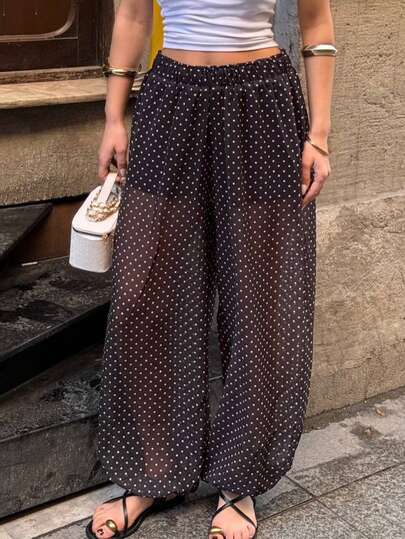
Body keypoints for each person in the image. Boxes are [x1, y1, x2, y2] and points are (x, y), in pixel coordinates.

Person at [86, 1, 336, 538]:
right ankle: (153, 471)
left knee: (262, 299)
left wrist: (318, 133)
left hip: (262, 104)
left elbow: (316, 21)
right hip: (169, 98)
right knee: (145, 295)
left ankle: (239, 480)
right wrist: (113, 117)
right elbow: (132, 16)